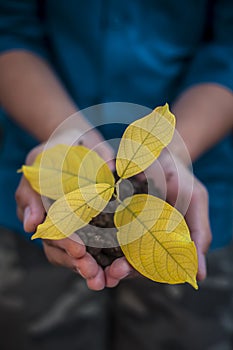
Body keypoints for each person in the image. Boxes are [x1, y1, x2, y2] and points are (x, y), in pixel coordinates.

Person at [0, 0, 232, 349]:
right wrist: (62, 133)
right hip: (29, 173)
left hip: (201, 170)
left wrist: (171, 154)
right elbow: (8, 28)